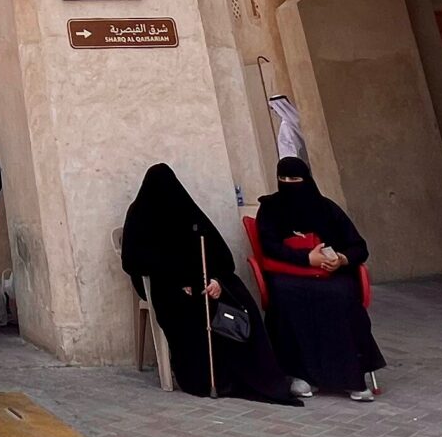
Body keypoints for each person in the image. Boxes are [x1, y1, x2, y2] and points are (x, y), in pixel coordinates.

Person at [118, 162, 299, 404]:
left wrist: (217, 280)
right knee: (187, 307)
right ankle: (208, 377)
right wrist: (176, 281)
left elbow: (218, 253)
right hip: (166, 285)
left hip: (203, 279)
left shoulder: (186, 211)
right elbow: (134, 260)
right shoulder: (140, 215)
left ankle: (258, 375)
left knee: (238, 295)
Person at [253, 157, 384, 400]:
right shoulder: (270, 208)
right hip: (289, 274)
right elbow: (269, 246)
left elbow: (358, 246)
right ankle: (301, 375)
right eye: (283, 179)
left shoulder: (327, 209)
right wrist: (306, 258)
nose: (288, 184)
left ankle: (351, 377)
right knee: (285, 296)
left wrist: (341, 259)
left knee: (341, 295)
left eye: (294, 179)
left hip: (331, 275)